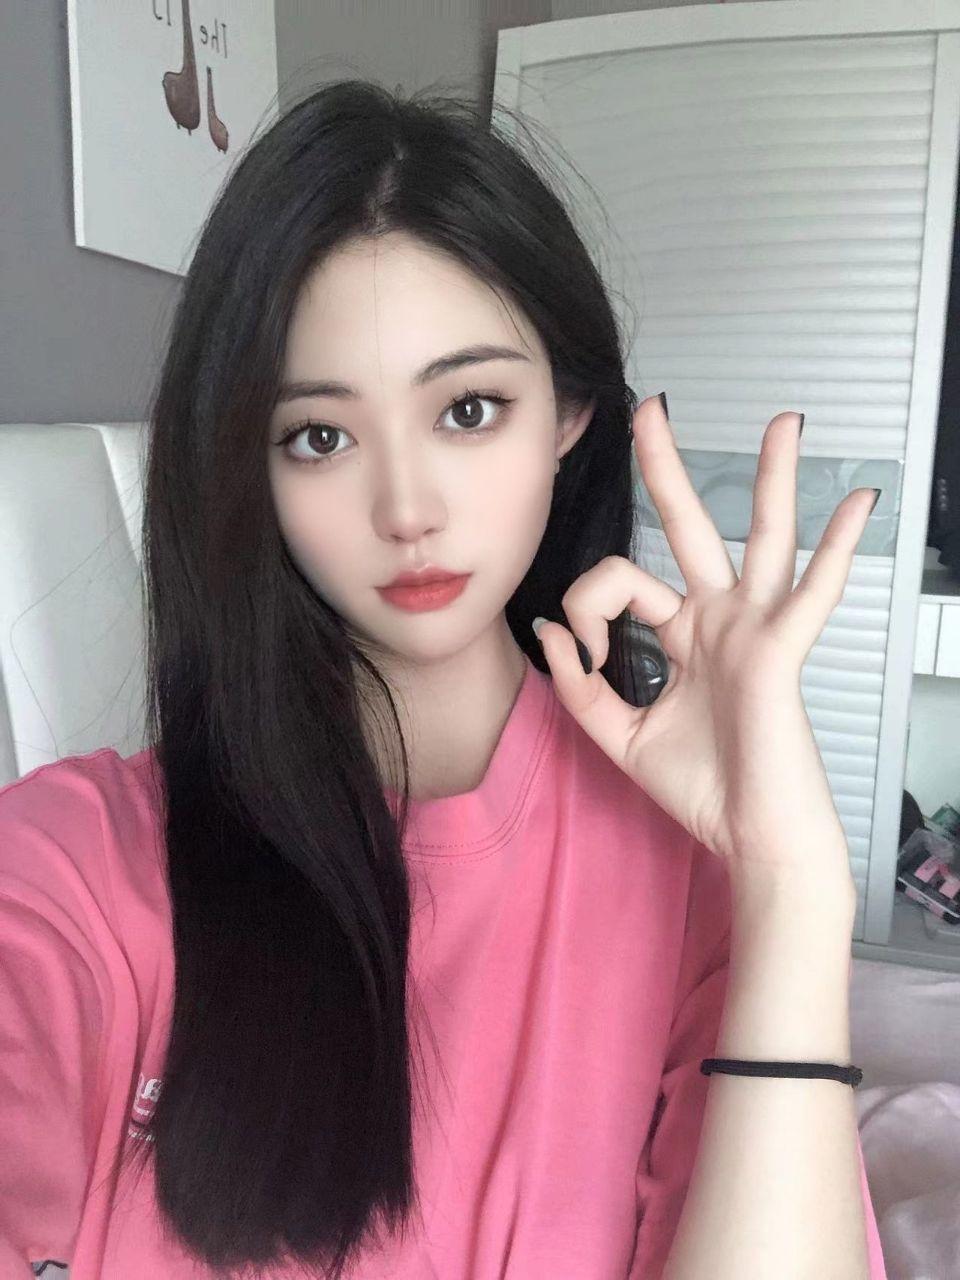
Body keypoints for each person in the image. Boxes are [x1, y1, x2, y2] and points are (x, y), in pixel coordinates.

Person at [0, 78, 887, 1278]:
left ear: (569, 412)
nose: (406, 508)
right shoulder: (77, 861)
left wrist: (794, 884)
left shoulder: (693, 871)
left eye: (469, 408)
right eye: (320, 435)